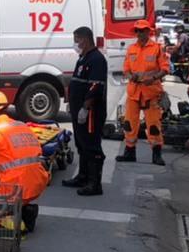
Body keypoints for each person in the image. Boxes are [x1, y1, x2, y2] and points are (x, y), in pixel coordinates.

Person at [0, 90, 50, 233]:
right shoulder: (21, 125)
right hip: (37, 183)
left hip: (15, 188)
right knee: (4, 198)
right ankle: (24, 211)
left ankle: (8, 220)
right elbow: (20, 158)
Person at [116, 19, 168, 166]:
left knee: (153, 124)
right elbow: (126, 69)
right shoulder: (131, 48)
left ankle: (157, 154)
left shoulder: (157, 48)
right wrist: (130, 75)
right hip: (134, 92)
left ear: (148, 31)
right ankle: (129, 152)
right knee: (129, 124)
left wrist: (153, 79)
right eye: (137, 30)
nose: (139, 33)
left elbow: (165, 68)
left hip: (151, 93)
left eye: (142, 30)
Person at [63, 25, 107, 196]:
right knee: (81, 144)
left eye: (77, 40)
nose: (75, 43)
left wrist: (84, 108)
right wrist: (71, 103)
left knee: (91, 145)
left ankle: (95, 184)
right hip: (78, 108)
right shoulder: (83, 58)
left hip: (90, 112)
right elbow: (77, 81)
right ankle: (83, 176)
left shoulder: (96, 59)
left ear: (86, 39)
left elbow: (95, 86)